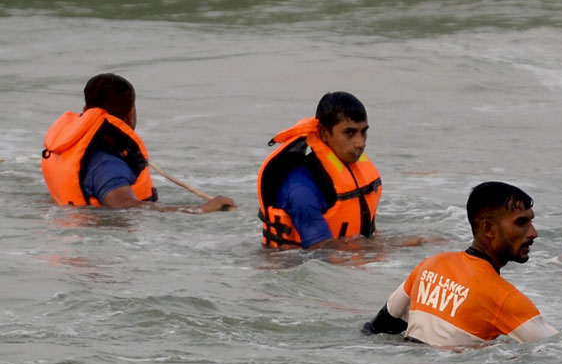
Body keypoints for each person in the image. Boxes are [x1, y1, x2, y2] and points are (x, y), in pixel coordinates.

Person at [362, 181, 558, 347]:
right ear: (488, 228)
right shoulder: (504, 299)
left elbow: (377, 329)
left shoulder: (430, 266)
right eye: (521, 223)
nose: (533, 233)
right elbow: (557, 352)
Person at [41, 73, 235, 213]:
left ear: (86, 109)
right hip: (103, 251)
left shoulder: (70, 145)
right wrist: (202, 209)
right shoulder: (109, 164)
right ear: (130, 114)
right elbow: (124, 205)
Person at [257, 91, 383, 250]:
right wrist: (391, 247)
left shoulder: (352, 170)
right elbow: (322, 251)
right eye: (349, 133)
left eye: (363, 132)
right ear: (324, 133)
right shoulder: (302, 189)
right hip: (288, 266)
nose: (360, 143)